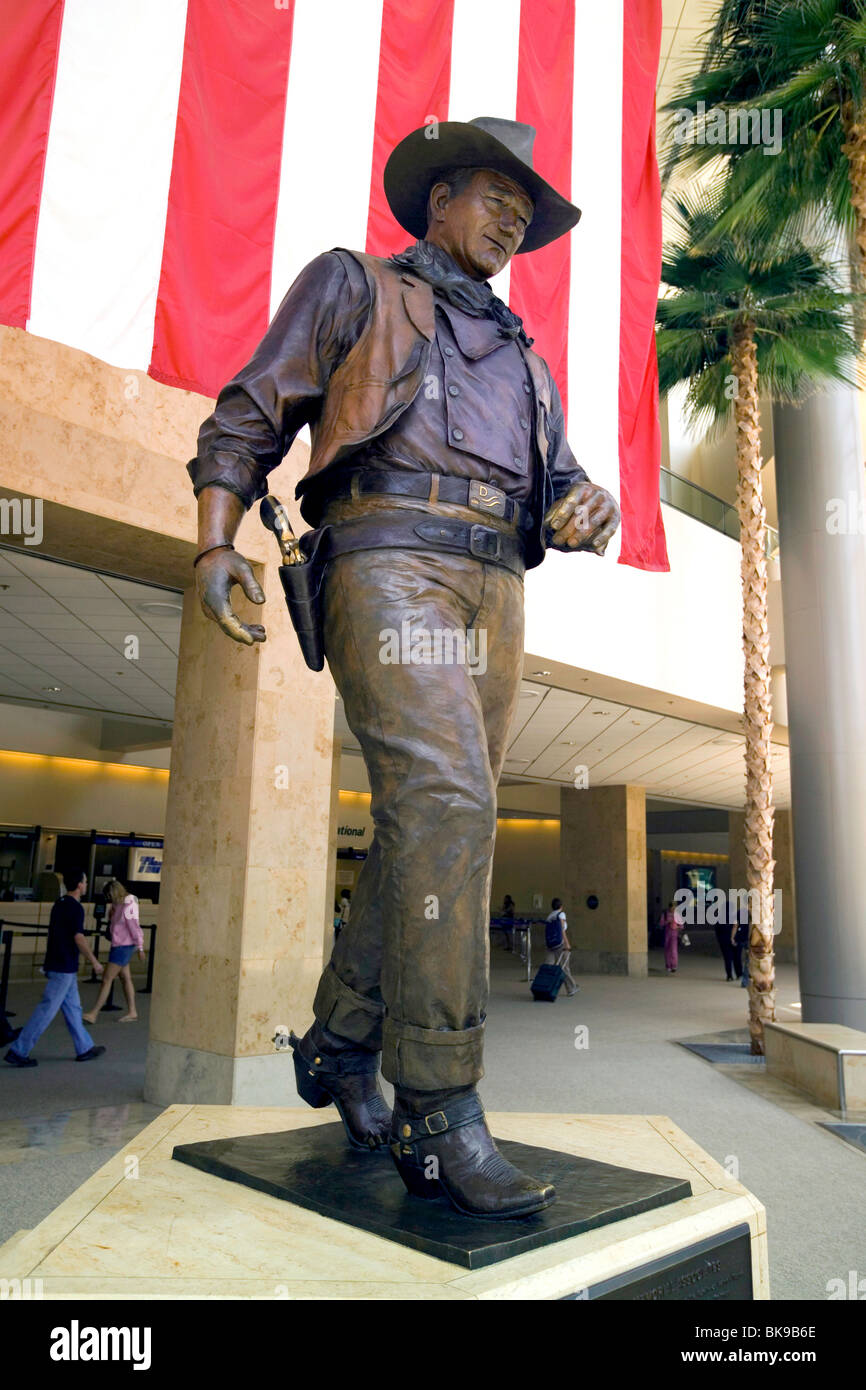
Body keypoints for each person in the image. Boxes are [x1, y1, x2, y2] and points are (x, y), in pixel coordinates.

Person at [189, 116, 619, 1218]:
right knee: (451, 799)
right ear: (438, 200)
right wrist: (214, 539)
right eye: (494, 195)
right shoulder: (355, 285)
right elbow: (250, 410)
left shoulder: (528, 357)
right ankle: (439, 1100)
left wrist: (581, 508)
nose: (512, 219)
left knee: (430, 825)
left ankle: (337, 1041)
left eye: (525, 211)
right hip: (386, 560)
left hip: (494, 585)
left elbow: (560, 484)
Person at [4, 870, 106, 1067]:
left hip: (56, 962)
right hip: (64, 966)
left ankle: (84, 1047)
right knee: (46, 1010)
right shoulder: (76, 909)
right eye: (84, 882)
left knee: (73, 1008)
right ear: (79, 885)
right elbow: (78, 937)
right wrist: (94, 960)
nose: (86, 885)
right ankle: (19, 1050)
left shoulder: (58, 905)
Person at [83, 879, 144, 1025]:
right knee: (125, 978)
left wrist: (140, 947)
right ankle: (132, 1011)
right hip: (121, 945)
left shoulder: (128, 903)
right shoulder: (120, 904)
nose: (109, 900)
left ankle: (94, 1013)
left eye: (109, 896)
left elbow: (134, 926)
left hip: (123, 946)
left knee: (107, 979)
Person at [544, 898, 578, 996]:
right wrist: (567, 943)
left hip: (550, 944)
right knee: (564, 967)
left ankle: (545, 986)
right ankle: (571, 988)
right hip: (560, 943)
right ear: (561, 906)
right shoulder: (561, 914)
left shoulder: (549, 916)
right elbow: (562, 930)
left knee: (548, 965)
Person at [660, 900, 681, 974]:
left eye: (675, 907)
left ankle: (674, 965)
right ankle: (668, 965)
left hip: (674, 934)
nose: (674, 909)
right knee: (667, 950)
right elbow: (661, 924)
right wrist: (667, 921)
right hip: (666, 933)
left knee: (673, 950)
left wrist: (677, 927)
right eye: (672, 907)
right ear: (670, 907)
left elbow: (681, 925)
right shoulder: (665, 914)